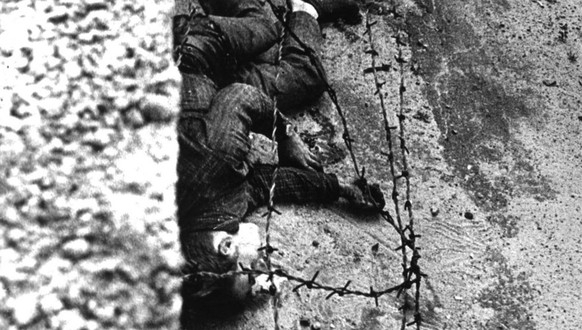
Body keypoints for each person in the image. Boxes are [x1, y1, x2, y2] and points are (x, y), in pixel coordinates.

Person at [173, 0, 384, 308]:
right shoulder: (209, 220)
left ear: (227, 245)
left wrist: (285, 137)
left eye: (257, 264)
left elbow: (240, 97)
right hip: (214, 87)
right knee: (304, 76)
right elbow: (265, 185)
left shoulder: (213, 161)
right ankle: (306, 8)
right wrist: (339, 187)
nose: (266, 258)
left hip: (191, 51)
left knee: (266, 26)